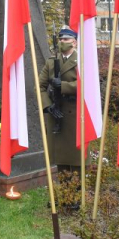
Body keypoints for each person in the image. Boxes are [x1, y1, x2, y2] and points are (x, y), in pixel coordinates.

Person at [38, 27, 84, 170]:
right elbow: (40, 86)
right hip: (56, 112)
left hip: (75, 113)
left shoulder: (82, 61)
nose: (62, 42)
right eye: (60, 39)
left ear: (74, 43)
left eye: (66, 39)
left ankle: (77, 189)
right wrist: (48, 105)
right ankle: (64, 190)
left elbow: (87, 85)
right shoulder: (51, 62)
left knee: (77, 159)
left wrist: (63, 85)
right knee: (61, 159)